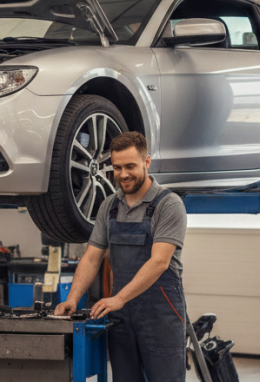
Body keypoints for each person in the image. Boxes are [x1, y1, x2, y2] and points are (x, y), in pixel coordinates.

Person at [54, 131, 187, 382]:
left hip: (161, 313)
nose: (123, 174)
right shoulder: (110, 206)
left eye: (130, 166)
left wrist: (119, 298)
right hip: (122, 316)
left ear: (146, 162)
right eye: (117, 167)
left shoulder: (168, 205)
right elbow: (92, 257)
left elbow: (159, 261)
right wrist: (73, 298)